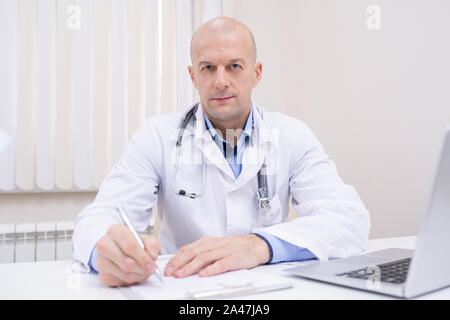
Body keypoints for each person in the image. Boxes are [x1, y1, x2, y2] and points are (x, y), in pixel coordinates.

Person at [73, 16, 370, 287]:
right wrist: (107, 254)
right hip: (183, 285)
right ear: (193, 76)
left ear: (256, 73)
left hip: (268, 289)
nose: (220, 81)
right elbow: (99, 217)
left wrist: (258, 246)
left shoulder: (293, 136)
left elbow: (348, 219)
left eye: (234, 66)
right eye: (208, 68)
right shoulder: (156, 136)